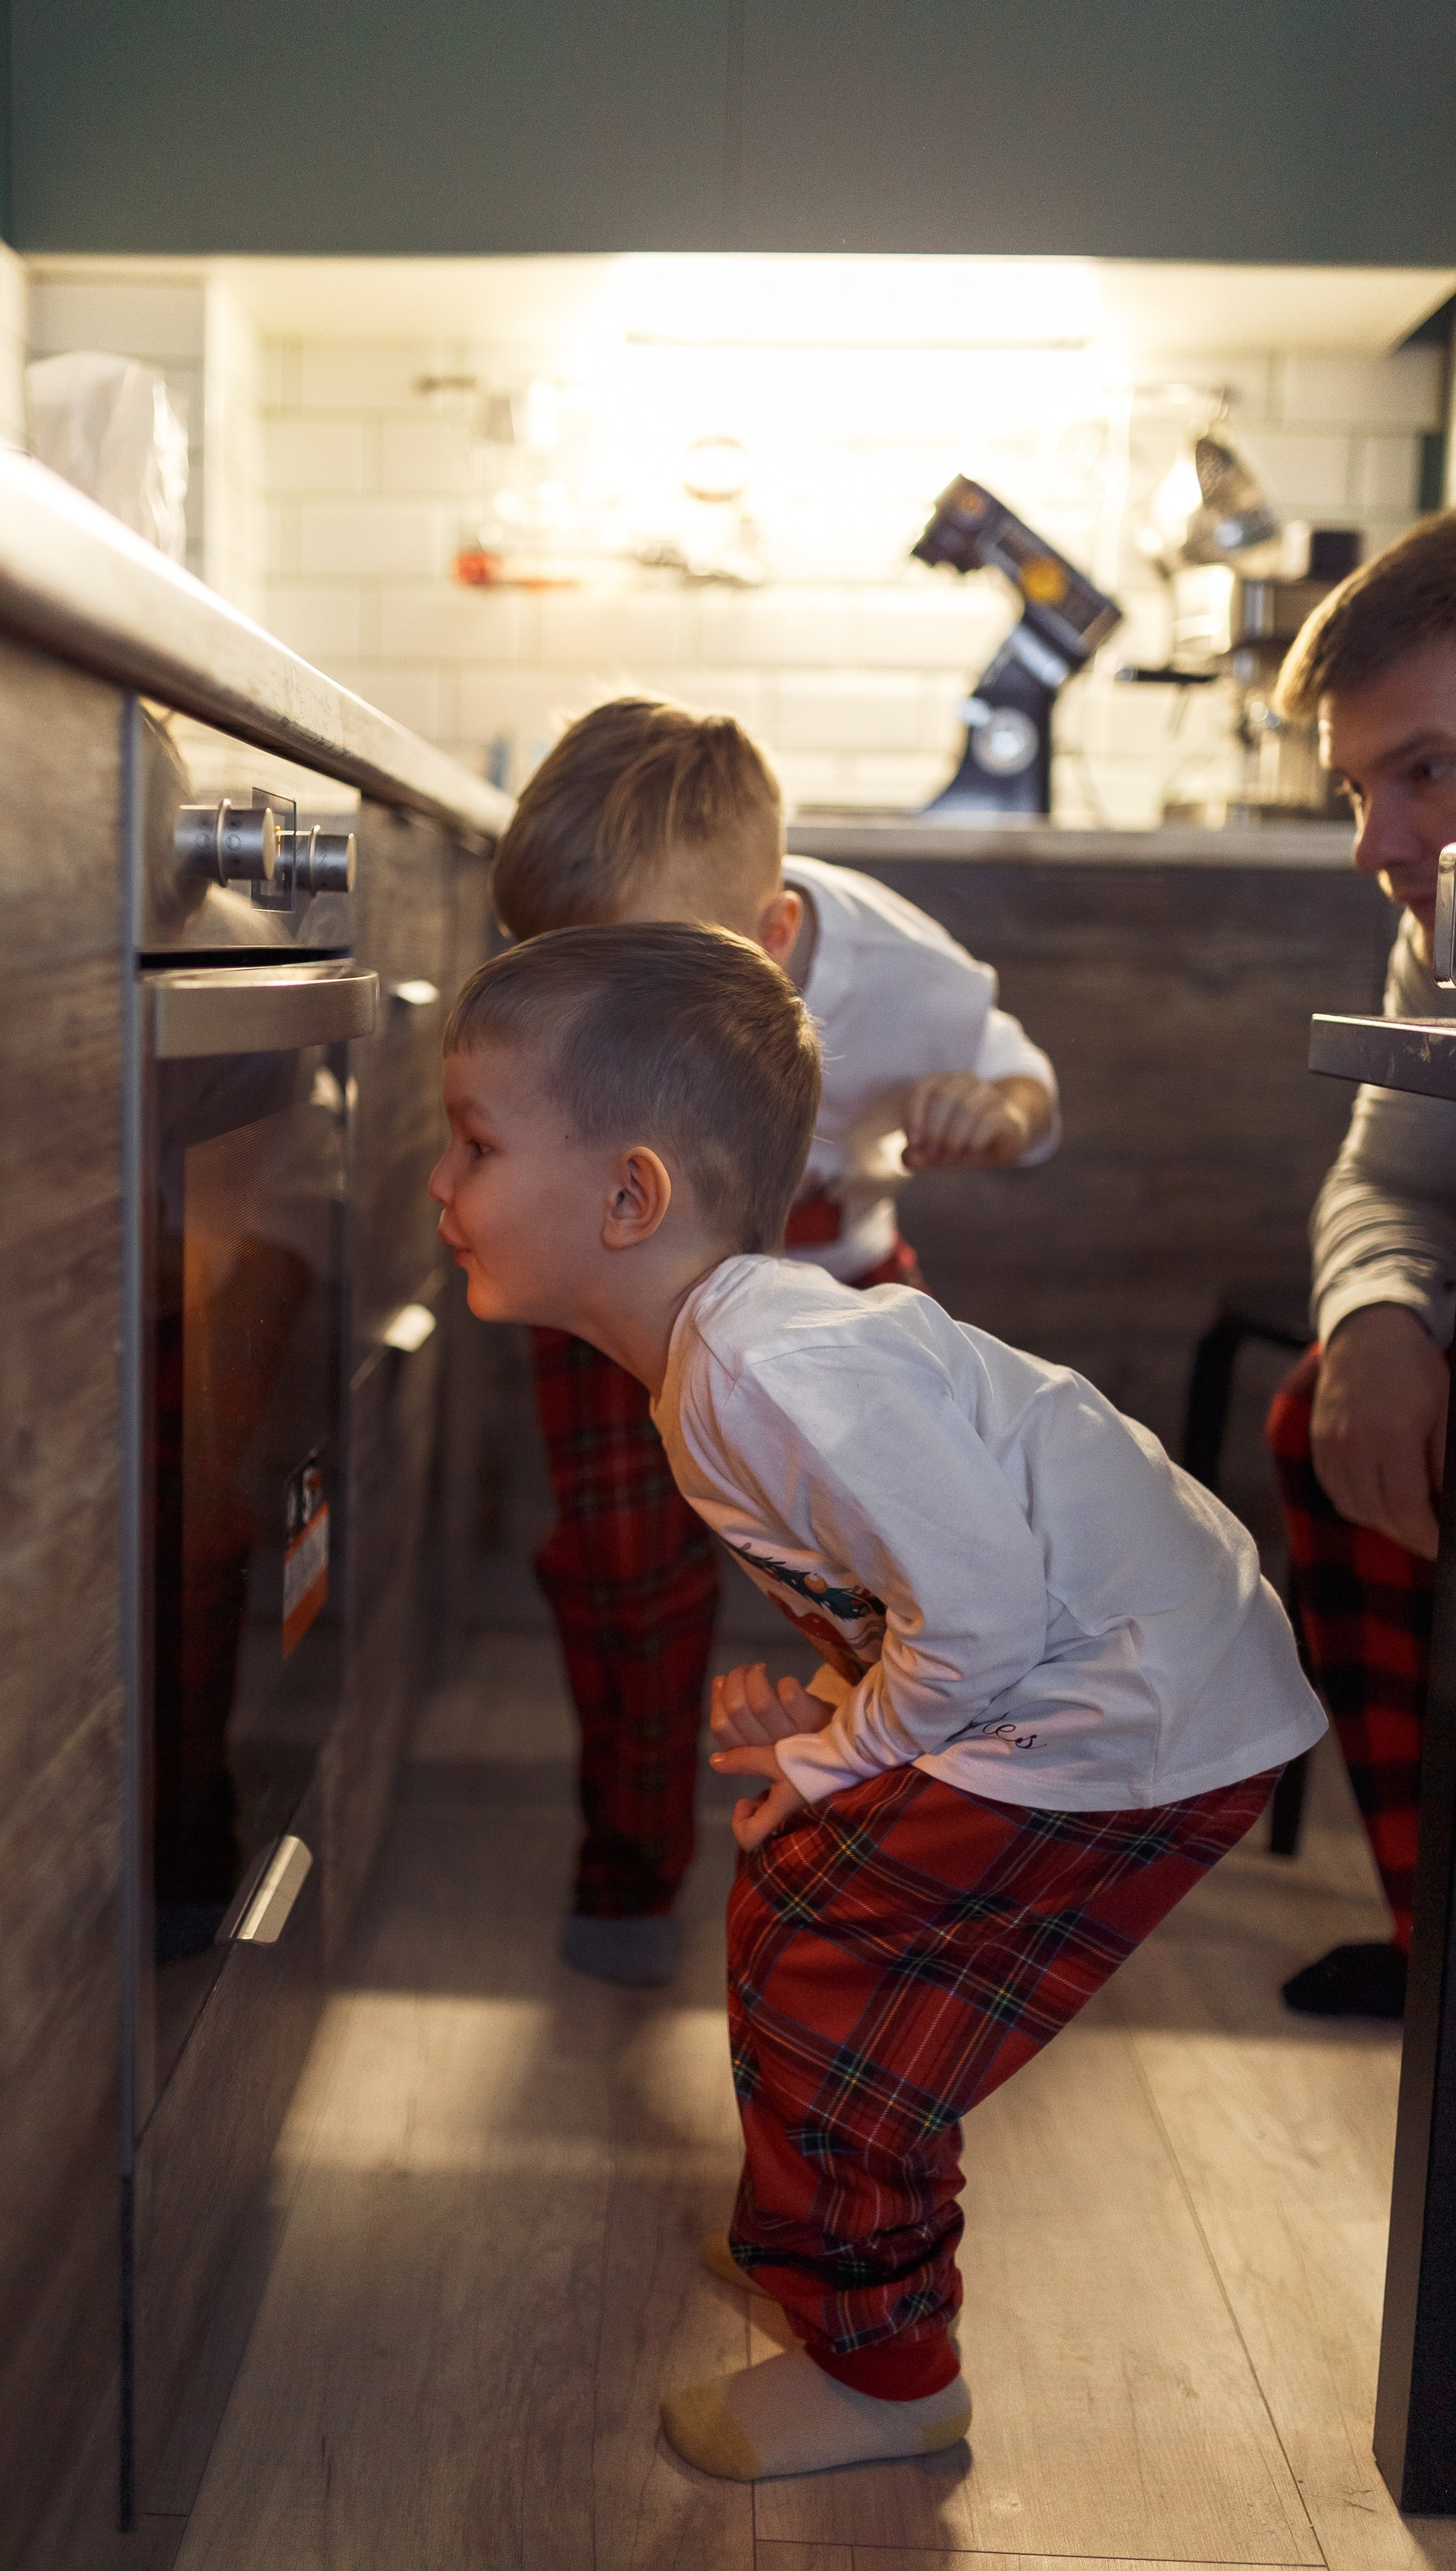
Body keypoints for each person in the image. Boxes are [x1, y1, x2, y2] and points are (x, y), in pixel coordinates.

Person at [429, 922, 1325, 2481]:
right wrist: (838, 1711)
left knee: (821, 1958)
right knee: (799, 1908)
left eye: (474, 1145)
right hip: (1088, 1674)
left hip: (1132, 1702)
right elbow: (926, 1589)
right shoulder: (721, 1361)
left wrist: (845, 1752)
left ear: (629, 1197)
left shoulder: (767, 1370)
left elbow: (981, 1612)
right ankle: (811, 2242)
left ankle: (885, 2368)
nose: (440, 1184)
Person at [491, 696, 1060, 1986]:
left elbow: (1023, 1077)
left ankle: (889, 1880)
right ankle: (629, 1871)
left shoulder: (904, 975)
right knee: (625, 1580)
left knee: (905, 1605)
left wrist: (997, 1111)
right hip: (623, 1289)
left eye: (642, 987)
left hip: (839, 1302)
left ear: (774, 937)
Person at [1267, 512, 1456, 2021]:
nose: (1373, 846)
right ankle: (1429, 1936)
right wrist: (1379, 1313)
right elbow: (1388, 1170)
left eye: (1427, 771)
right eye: (1357, 788)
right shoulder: (1439, 923)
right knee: (1319, 1412)